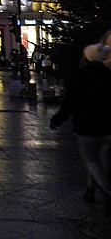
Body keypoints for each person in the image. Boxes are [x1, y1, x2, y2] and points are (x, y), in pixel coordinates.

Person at [50, 43, 111, 213]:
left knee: (91, 162)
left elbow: (70, 101)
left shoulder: (80, 75)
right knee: (100, 161)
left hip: (86, 125)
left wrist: (58, 119)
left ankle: (108, 190)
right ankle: (90, 190)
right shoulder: (108, 74)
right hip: (106, 126)